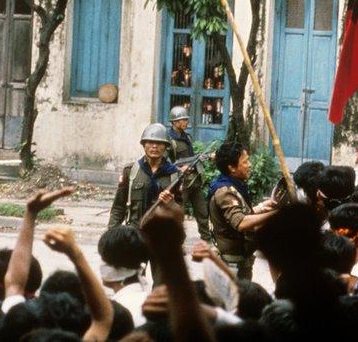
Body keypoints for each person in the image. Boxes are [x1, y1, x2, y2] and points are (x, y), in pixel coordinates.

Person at [208, 141, 278, 279]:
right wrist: (276, 214)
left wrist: (263, 207)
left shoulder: (233, 185)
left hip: (241, 260)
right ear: (232, 168)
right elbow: (241, 223)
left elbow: (241, 212)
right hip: (231, 265)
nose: (250, 165)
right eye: (245, 162)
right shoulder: (225, 191)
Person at [108, 123, 180, 229]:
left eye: (159, 143)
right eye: (150, 142)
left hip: (162, 234)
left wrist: (171, 204)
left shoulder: (174, 175)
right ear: (144, 144)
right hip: (135, 233)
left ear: (165, 147)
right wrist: (112, 234)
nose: (154, 146)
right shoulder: (131, 171)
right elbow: (119, 207)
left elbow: (181, 212)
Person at [165, 105, 212, 242]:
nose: (186, 122)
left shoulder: (187, 137)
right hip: (180, 183)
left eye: (186, 119)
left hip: (194, 181)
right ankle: (177, 242)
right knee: (178, 214)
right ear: (175, 122)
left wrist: (205, 157)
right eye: (183, 120)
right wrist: (179, 169)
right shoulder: (169, 141)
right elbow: (166, 163)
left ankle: (207, 239)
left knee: (202, 212)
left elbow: (192, 157)